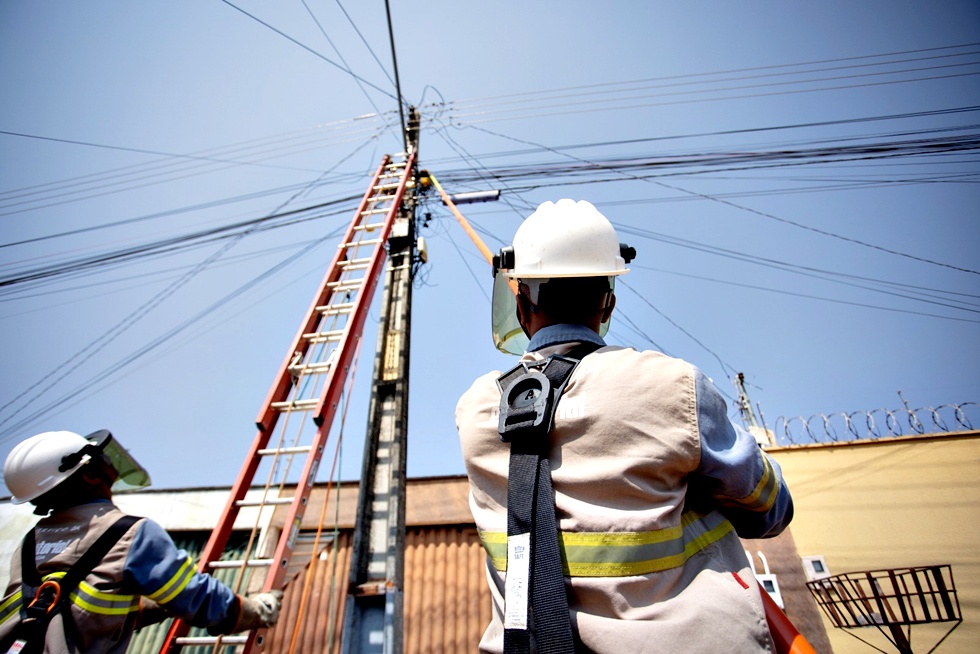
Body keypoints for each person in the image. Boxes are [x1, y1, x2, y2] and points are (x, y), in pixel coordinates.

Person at [455, 199, 794, 653]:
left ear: (521, 304)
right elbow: (771, 508)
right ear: (608, 301)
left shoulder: (476, 411)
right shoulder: (674, 386)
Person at [0, 429, 283, 653]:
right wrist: (258, 610)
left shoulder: (29, 544)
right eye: (102, 457)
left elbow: (74, 612)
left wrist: (159, 605)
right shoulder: (129, 533)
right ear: (88, 473)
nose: (110, 460)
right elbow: (202, 600)